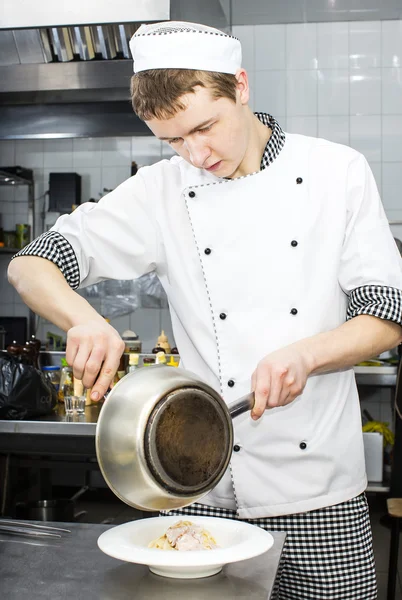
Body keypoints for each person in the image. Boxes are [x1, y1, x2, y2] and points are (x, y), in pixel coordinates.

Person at [8, 20, 402, 599]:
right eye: (172, 141)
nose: (196, 153)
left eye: (204, 127)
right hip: (202, 491)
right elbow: (30, 264)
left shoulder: (335, 173)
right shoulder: (160, 190)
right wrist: (84, 319)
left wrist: (307, 354)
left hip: (320, 493)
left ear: (240, 86)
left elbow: (386, 312)